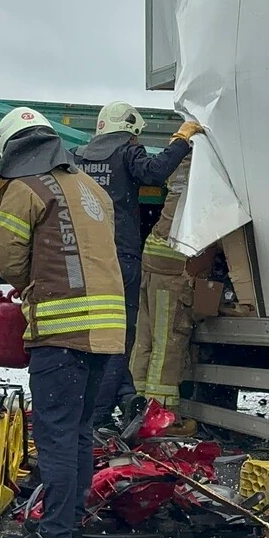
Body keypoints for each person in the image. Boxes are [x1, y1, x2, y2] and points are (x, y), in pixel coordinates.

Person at [0, 107, 124, 538]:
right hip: (107, 335)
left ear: (12, 148)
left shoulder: (26, 189)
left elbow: (6, 258)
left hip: (62, 334)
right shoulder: (93, 190)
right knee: (80, 434)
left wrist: (31, 284)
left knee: (57, 437)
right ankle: (70, 522)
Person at [73, 101, 202, 428]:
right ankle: (100, 417)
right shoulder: (126, 155)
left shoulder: (76, 159)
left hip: (83, 262)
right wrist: (181, 140)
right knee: (118, 340)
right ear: (129, 132)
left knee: (89, 338)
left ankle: (121, 397)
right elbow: (155, 172)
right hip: (119, 261)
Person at [128, 155, 213, 436]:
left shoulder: (183, 165)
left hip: (154, 254)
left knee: (147, 337)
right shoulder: (207, 168)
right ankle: (162, 418)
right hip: (173, 262)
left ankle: (138, 409)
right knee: (168, 342)